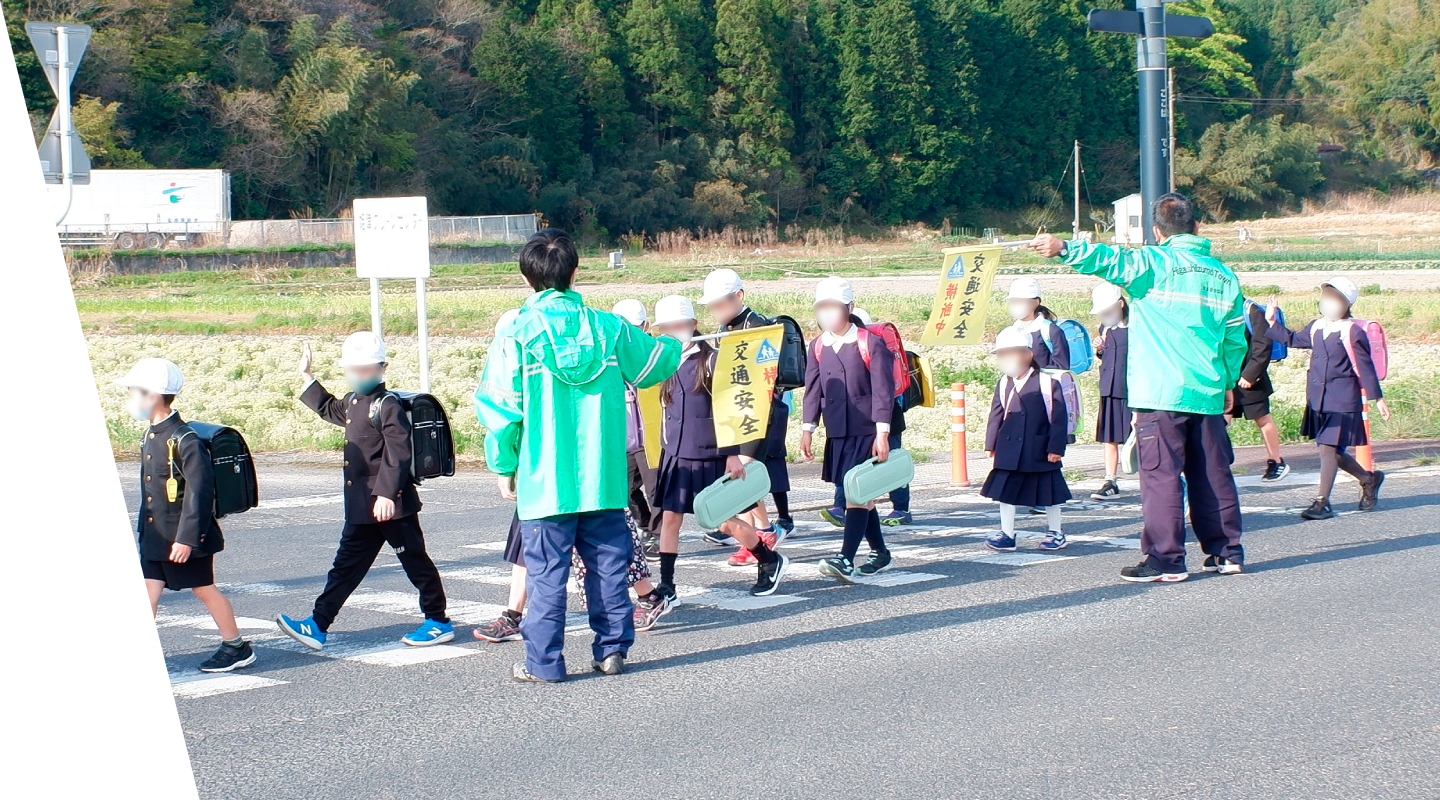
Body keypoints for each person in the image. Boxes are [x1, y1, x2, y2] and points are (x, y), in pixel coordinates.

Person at [475, 229, 683, 683]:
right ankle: (611, 652)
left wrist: (504, 465)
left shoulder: (517, 333)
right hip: (604, 476)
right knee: (608, 567)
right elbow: (655, 363)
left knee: (547, 573)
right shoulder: (607, 327)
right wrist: (679, 342)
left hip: (543, 479)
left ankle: (544, 663)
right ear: (573, 272)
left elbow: (499, 409)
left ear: (527, 277)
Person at [1030, 192, 1245, 582]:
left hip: (1160, 392)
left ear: (1159, 232)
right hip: (1208, 389)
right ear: (1198, 228)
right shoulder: (1224, 276)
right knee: (1212, 474)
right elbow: (1235, 339)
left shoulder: (1153, 263)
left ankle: (1166, 559)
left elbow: (1109, 260)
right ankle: (1226, 552)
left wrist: (1063, 248)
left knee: (1161, 475)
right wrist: (1229, 382)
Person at [277, 333, 453, 649]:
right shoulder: (354, 402)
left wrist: (387, 494)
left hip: (390, 506)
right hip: (363, 506)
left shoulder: (388, 406)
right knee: (345, 567)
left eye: (366, 370)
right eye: (353, 370)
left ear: (382, 368)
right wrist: (306, 376)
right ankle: (317, 625)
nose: (359, 376)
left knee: (415, 562)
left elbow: (398, 453)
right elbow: (329, 408)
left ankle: (438, 621)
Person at [121, 358, 256, 673]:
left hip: (184, 537)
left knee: (204, 589)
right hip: (157, 536)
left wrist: (186, 538)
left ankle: (236, 646)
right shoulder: (152, 435)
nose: (130, 399)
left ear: (152, 395)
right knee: (149, 588)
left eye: (133, 392)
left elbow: (200, 493)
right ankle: (235, 646)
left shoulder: (185, 439)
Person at [650, 295, 790, 596]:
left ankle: (769, 560)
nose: (673, 332)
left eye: (679, 325)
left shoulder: (713, 359)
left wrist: (733, 454)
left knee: (724, 521)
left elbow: (732, 410)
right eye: (667, 328)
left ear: (693, 325)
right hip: (675, 453)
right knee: (670, 518)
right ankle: (667, 583)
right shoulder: (664, 361)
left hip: (710, 453)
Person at [1266, 277, 1390, 520]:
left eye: (1335, 298)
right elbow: (1292, 340)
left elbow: (1365, 367)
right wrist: (1271, 321)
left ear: (1347, 303)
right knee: (1330, 451)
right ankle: (1369, 479)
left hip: (1343, 400)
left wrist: (1378, 399)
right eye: (1326, 296)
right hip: (1318, 400)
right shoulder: (1317, 326)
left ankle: (1322, 502)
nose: (1329, 302)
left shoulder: (1351, 330)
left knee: (1327, 450)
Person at [801, 277, 898, 582]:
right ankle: (880, 553)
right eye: (821, 308)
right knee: (863, 497)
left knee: (856, 494)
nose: (827, 314)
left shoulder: (870, 342)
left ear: (849, 307)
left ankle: (845, 558)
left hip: (867, 431)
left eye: (833, 307)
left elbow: (884, 390)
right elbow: (812, 389)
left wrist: (883, 433)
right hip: (838, 432)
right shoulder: (818, 345)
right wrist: (808, 427)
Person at [697, 268, 794, 555]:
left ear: (738, 296)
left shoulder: (759, 326)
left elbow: (767, 374)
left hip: (756, 412)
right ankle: (752, 536)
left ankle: (764, 532)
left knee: (743, 474)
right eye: (712, 306)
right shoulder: (721, 331)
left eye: (720, 304)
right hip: (732, 413)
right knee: (739, 474)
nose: (716, 311)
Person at [473, 508, 674, 641]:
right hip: (543, 480)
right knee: (529, 544)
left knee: (606, 551)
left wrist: (504, 468)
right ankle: (513, 616)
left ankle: (648, 597)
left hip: (586, 478)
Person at [981, 329, 1071, 551]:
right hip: (1009, 448)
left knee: (1048, 493)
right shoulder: (1004, 383)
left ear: (1029, 354)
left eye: (1012, 353)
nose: (1007, 359)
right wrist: (991, 444)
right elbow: (996, 415)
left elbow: (1058, 419)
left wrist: (1056, 447)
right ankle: (1007, 533)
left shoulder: (1047, 383)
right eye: (1002, 354)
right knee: (1005, 492)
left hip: (1038, 448)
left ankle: (1056, 531)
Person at [824, 307, 913, 525]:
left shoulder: (871, 345)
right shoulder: (838, 347)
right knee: (850, 463)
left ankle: (901, 508)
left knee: (889, 463)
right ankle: (841, 506)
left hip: (886, 419)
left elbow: (883, 389)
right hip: (858, 421)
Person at [612, 298, 663, 553]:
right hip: (623, 437)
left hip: (652, 436)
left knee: (657, 490)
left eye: (634, 327)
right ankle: (644, 524)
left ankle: (658, 535)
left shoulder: (655, 354)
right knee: (623, 489)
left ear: (646, 325)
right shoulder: (610, 358)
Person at [1233, 297, 1290, 482]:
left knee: (1263, 419)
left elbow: (1263, 344)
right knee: (1218, 422)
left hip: (1249, 378)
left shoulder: (1249, 309)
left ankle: (1276, 461)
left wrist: (1250, 375)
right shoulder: (1215, 307)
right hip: (1225, 377)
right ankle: (1214, 465)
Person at [1090, 283, 1131, 500]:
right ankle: (1110, 480)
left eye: (1107, 311)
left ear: (1120, 304)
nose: (1104, 316)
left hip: (1132, 390)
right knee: (1110, 437)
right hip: (1109, 387)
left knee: (1141, 438)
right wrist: (1100, 349)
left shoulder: (1137, 326)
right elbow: (1106, 356)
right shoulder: (1105, 328)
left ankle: (1155, 479)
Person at [1003, 277, 1070, 370]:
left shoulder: (1051, 331)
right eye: (1013, 301)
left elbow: (1062, 366)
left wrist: (1035, 375)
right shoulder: (1012, 331)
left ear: (1036, 302)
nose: (1015, 305)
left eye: (1020, 301)